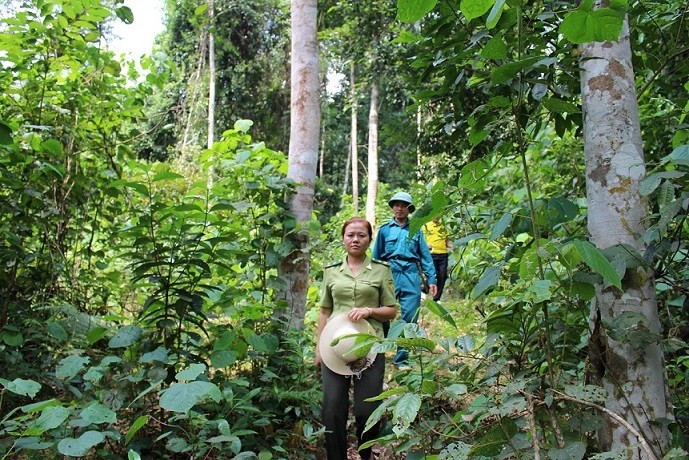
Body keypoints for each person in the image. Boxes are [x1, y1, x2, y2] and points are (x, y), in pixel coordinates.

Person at [315, 217, 398, 460]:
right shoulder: (331, 272)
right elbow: (324, 311)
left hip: (369, 348)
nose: (355, 239)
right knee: (332, 409)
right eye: (350, 234)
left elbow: (391, 310)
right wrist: (318, 349)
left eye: (361, 235)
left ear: (369, 240)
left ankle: (365, 455)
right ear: (343, 238)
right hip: (335, 348)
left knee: (366, 410)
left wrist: (370, 310)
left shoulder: (381, 271)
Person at [372, 191, 437, 368]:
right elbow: (376, 256)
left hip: (410, 273)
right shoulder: (385, 230)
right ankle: (380, 353)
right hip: (389, 273)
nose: (399, 208)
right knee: (382, 314)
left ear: (409, 209)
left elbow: (425, 256)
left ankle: (402, 359)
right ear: (393, 207)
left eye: (403, 205)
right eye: (396, 205)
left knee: (410, 317)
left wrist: (432, 278)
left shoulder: (416, 230)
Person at [423, 217, 452, 302]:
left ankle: (437, 298)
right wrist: (426, 244)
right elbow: (421, 240)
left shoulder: (443, 227)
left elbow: (446, 241)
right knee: (432, 274)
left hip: (443, 254)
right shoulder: (426, 226)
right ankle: (424, 290)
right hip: (431, 254)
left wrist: (451, 245)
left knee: (442, 276)